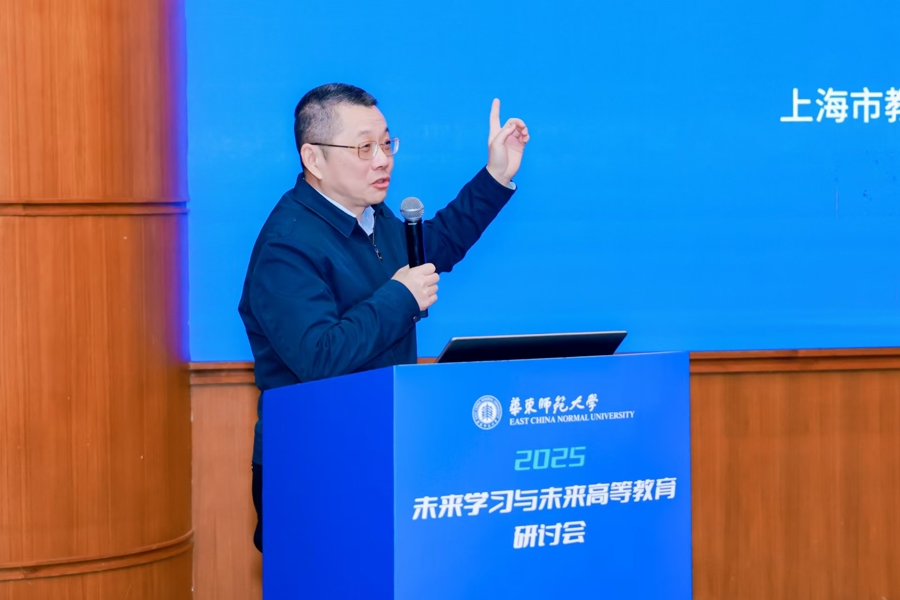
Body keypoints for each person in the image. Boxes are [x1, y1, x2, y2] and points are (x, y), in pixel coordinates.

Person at [237, 83, 529, 552]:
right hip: (313, 466)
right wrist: (401, 297)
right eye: (364, 147)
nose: (382, 160)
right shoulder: (286, 246)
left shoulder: (371, 217)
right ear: (313, 159)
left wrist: (495, 176)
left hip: (381, 446)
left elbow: (433, 247)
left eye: (387, 143)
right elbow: (320, 357)